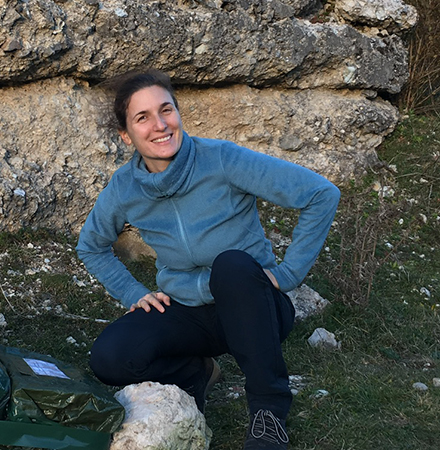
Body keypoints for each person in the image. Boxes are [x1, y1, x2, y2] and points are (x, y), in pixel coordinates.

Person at [76, 69, 340, 450]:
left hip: (253, 304)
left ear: (179, 113)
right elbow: (91, 245)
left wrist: (288, 274)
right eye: (143, 117)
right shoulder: (124, 187)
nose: (160, 125)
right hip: (187, 311)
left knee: (230, 265)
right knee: (110, 357)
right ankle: (195, 374)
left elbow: (320, 194)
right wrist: (132, 293)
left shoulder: (221, 159)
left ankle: (268, 412)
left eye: (166, 110)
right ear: (125, 134)